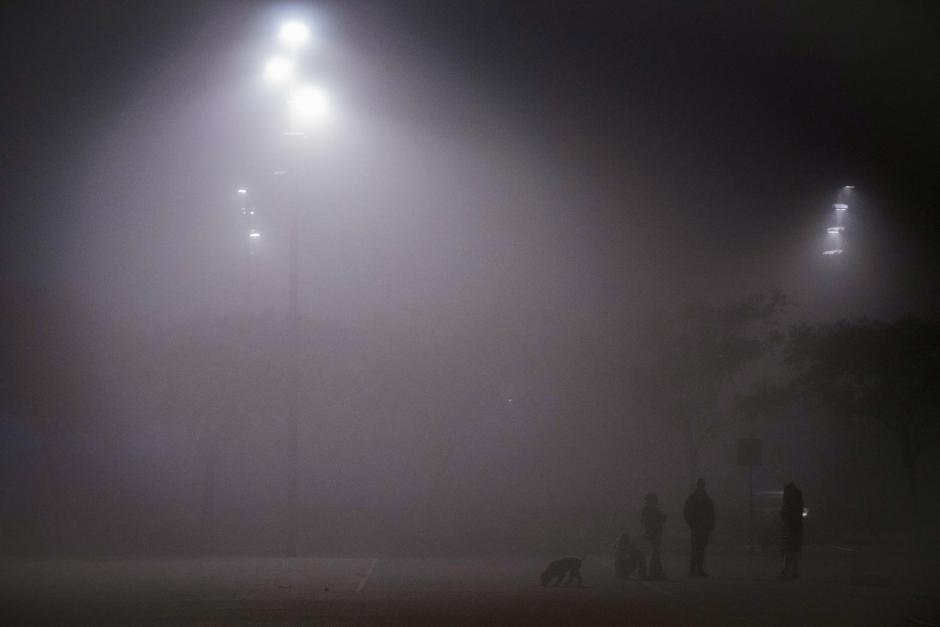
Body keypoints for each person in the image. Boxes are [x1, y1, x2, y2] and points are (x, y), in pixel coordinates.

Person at [683, 478, 715, 578]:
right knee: (698, 548)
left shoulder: (695, 497)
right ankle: (696, 570)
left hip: (699, 526)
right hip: (699, 526)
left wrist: (690, 523)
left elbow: (686, 511)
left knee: (698, 548)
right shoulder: (703, 498)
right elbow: (711, 513)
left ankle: (695, 570)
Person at [779, 482, 804, 580]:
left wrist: (785, 515)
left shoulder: (790, 501)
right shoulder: (796, 500)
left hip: (791, 527)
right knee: (793, 551)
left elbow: (786, 514)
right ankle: (793, 571)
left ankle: (786, 571)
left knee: (789, 550)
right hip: (794, 527)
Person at [641, 493, 668, 580]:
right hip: (652, 533)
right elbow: (647, 521)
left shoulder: (651, 509)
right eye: (654, 500)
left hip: (654, 533)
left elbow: (662, 517)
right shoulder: (649, 509)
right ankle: (653, 573)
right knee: (655, 552)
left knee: (656, 552)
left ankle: (657, 572)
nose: (656, 502)